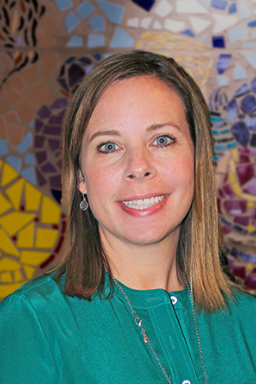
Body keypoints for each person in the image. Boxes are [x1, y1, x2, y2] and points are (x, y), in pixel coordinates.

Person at [0, 50, 256, 384]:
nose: (138, 166)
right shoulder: (32, 323)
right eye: (109, 146)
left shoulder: (249, 322)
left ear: (197, 158)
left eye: (162, 140)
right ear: (81, 177)